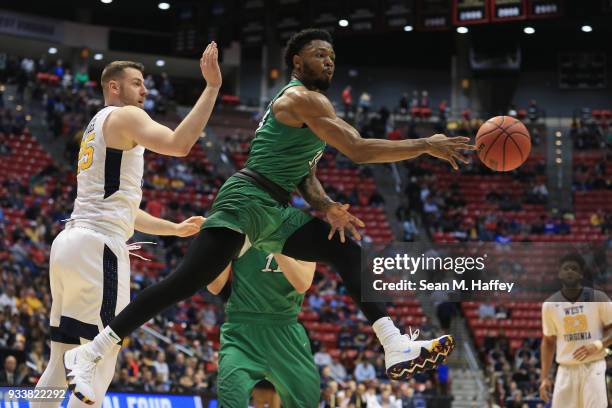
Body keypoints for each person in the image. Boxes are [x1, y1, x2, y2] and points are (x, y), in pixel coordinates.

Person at [65, 29, 472, 404]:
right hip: (247, 199)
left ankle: (393, 342)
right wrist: (425, 144)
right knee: (182, 283)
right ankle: (91, 352)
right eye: (318, 54)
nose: (328, 61)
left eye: (331, 55)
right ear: (297, 63)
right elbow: (359, 149)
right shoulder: (301, 99)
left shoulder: (313, 110)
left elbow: (306, 175)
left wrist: (327, 206)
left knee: (347, 250)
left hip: (274, 208)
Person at [34, 42, 222, 407]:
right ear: (114, 88)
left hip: (70, 243)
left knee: (59, 359)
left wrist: (173, 228)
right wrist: (212, 87)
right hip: (97, 246)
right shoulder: (126, 116)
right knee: (100, 355)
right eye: (137, 83)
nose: (145, 90)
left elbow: (123, 208)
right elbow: (180, 144)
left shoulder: (95, 125)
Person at [206, 239, 319, 407]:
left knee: (306, 401)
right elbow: (214, 287)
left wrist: (272, 239)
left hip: (285, 331)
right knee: (231, 401)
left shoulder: (303, 231)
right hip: (241, 333)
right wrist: (224, 243)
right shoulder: (238, 229)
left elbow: (302, 283)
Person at [539, 253, 612, 408]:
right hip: (565, 369)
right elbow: (548, 341)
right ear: (559, 273)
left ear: (581, 274)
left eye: (574, 268)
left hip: (593, 365)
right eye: (566, 268)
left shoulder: (598, 298)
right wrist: (544, 377)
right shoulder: (549, 305)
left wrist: (599, 344)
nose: (570, 271)